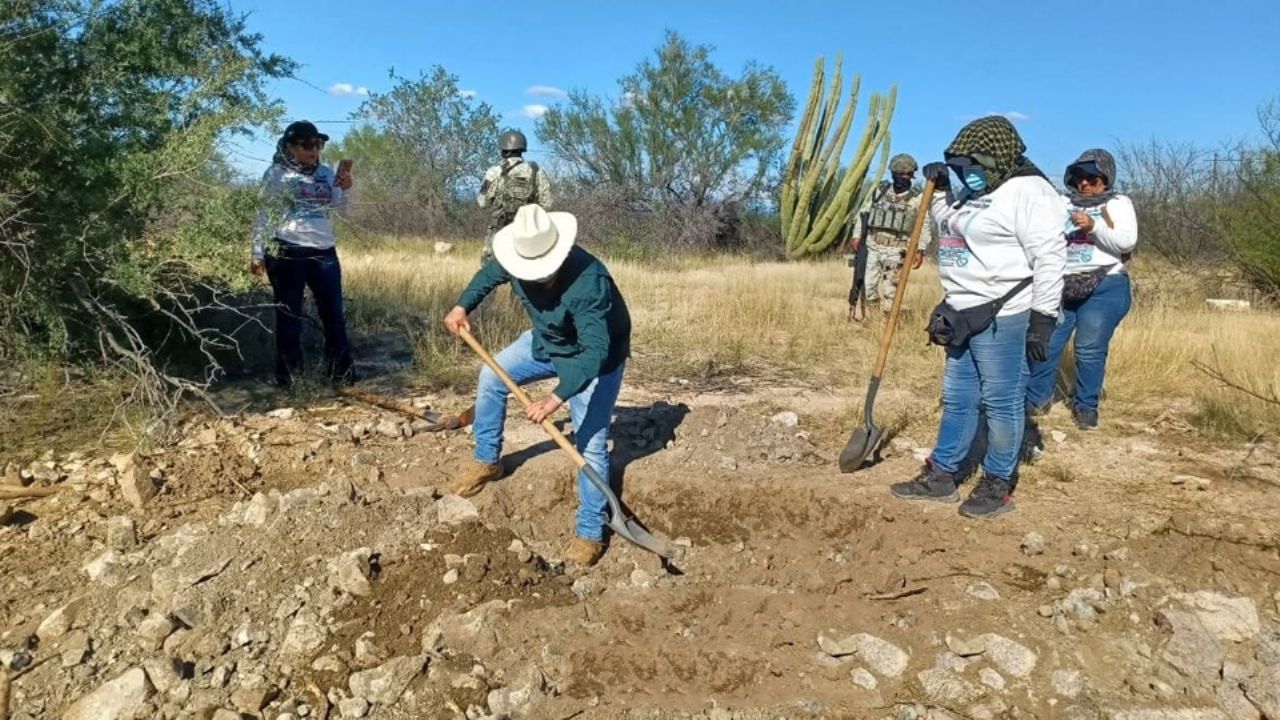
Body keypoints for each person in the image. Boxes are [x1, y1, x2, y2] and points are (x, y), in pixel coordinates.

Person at [890, 116, 1065, 518]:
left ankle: (998, 482)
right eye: (958, 167)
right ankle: (942, 475)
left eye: (972, 167)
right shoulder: (968, 190)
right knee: (957, 397)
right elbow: (948, 225)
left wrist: (1043, 318)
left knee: (1000, 402)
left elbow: (1050, 258)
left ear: (996, 159)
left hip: (1003, 312)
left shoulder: (1029, 192)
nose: (966, 175)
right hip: (959, 309)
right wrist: (938, 188)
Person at [443, 204, 630, 567]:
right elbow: (488, 276)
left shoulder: (590, 283)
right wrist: (461, 306)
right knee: (491, 378)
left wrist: (554, 398)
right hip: (547, 341)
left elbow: (595, 353)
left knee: (590, 444)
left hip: (594, 358)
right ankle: (487, 459)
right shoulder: (515, 256)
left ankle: (590, 531)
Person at [1026, 149, 1137, 430]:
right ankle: (1036, 401)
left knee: (1088, 347)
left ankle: (1086, 406)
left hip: (1105, 284)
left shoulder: (1118, 203)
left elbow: (1126, 243)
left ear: (1106, 178)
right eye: (1079, 179)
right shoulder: (1063, 203)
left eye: (1092, 178)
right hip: (1064, 283)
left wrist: (1094, 226)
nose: (1085, 184)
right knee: (1046, 343)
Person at [250, 120, 355, 387]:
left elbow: (340, 210)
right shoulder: (276, 174)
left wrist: (345, 187)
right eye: (306, 144)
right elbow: (263, 215)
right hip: (287, 250)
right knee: (289, 315)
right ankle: (290, 378)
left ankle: (341, 374)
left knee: (334, 314)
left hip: (324, 251)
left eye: (317, 144)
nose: (313, 150)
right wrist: (257, 252)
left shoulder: (326, 173)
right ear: (290, 147)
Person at [847, 153, 932, 319]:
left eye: (908, 174)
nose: (905, 177)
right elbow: (863, 213)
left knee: (891, 290)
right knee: (869, 286)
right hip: (873, 246)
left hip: (897, 250)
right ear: (893, 173)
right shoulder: (880, 190)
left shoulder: (917, 198)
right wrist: (857, 235)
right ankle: (874, 319)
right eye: (901, 174)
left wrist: (920, 250)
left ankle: (887, 322)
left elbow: (924, 225)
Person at [477, 130, 553, 264]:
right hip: (527, 232)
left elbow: (482, 202)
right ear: (522, 149)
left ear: (503, 150)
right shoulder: (537, 172)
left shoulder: (495, 172)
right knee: (525, 272)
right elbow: (547, 205)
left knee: (488, 274)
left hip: (499, 232)